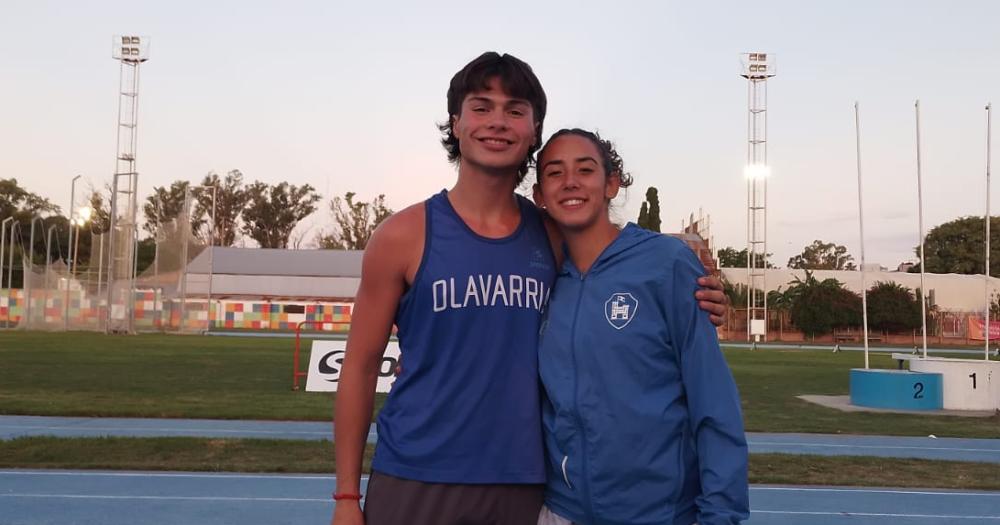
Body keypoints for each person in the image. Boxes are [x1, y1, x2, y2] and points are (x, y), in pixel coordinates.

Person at [331, 52, 730, 525]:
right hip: (417, 474)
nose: (497, 122)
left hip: (525, 484)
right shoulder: (402, 235)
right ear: (456, 124)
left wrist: (696, 292)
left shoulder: (554, 235)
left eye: (515, 110)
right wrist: (345, 498)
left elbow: (625, 268)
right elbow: (358, 367)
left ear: (534, 131)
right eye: (481, 107)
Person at [532, 129, 749, 525]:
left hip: (658, 512)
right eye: (554, 173)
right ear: (539, 195)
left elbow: (713, 400)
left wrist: (721, 513)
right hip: (561, 510)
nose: (571, 182)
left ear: (611, 183)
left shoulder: (666, 263)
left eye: (585, 169)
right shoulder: (539, 276)